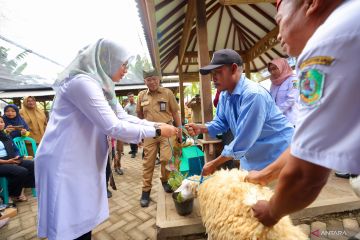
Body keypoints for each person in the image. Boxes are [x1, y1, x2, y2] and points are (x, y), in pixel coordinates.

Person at [35, 39, 178, 240]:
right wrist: (157, 131)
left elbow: (124, 117)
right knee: (68, 227)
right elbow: (113, 126)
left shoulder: (103, 88)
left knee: (82, 221)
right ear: (107, 61)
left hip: (79, 161)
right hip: (64, 163)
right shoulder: (82, 84)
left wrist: (157, 127)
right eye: (123, 64)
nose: (126, 70)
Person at [246, 1, 360, 234]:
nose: (278, 35)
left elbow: (305, 175)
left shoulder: (327, 41)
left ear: (310, 4)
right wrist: (266, 174)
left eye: (279, 21)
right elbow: (307, 145)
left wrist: (272, 211)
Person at [185, 49, 294, 175]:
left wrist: (214, 164)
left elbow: (244, 139)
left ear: (233, 69)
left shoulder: (253, 95)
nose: (213, 78)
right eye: (212, 73)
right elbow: (221, 121)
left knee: (272, 194)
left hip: (278, 156)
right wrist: (202, 128)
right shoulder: (225, 95)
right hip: (253, 159)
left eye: (218, 72)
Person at [137, 69, 182, 207]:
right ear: (145, 81)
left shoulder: (167, 93)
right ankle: (146, 191)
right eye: (149, 79)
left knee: (166, 159)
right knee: (148, 163)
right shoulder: (141, 95)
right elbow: (139, 116)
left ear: (159, 79)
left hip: (166, 132)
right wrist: (138, 133)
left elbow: (175, 113)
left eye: (155, 79)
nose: (152, 82)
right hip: (149, 133)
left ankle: (165, 180)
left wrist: (179, 130)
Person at [0, 116, 35, 202]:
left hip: (10, 159)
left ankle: (20, 190)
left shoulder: (5, 136)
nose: (0, 124)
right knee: (21, 171)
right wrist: (7, 162)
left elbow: (15, 149)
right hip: (2, 163)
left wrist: (17, 157)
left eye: (1, 122)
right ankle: (11, 194)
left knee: (31, 164)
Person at [268, 58, 299, 126]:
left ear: (282, 66)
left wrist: (276, 112)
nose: (272, 72)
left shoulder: (293, 80)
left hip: (290, 120)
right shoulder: (274, 83)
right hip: (277, 120)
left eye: (275, 68)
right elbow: (271, 99)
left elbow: (292, 99)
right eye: (270, 70)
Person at [124, 92, 138, 158]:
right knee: (132, 137)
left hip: (138, 123)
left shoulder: (138, 104)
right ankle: (133, 151)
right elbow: (124, 116)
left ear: (134, 97)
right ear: (128, 98)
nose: (131, 98)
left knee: (137, 137)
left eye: (132, 96)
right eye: (130, 97)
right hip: (131, 124)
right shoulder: (127, 107)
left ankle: (134, 150)